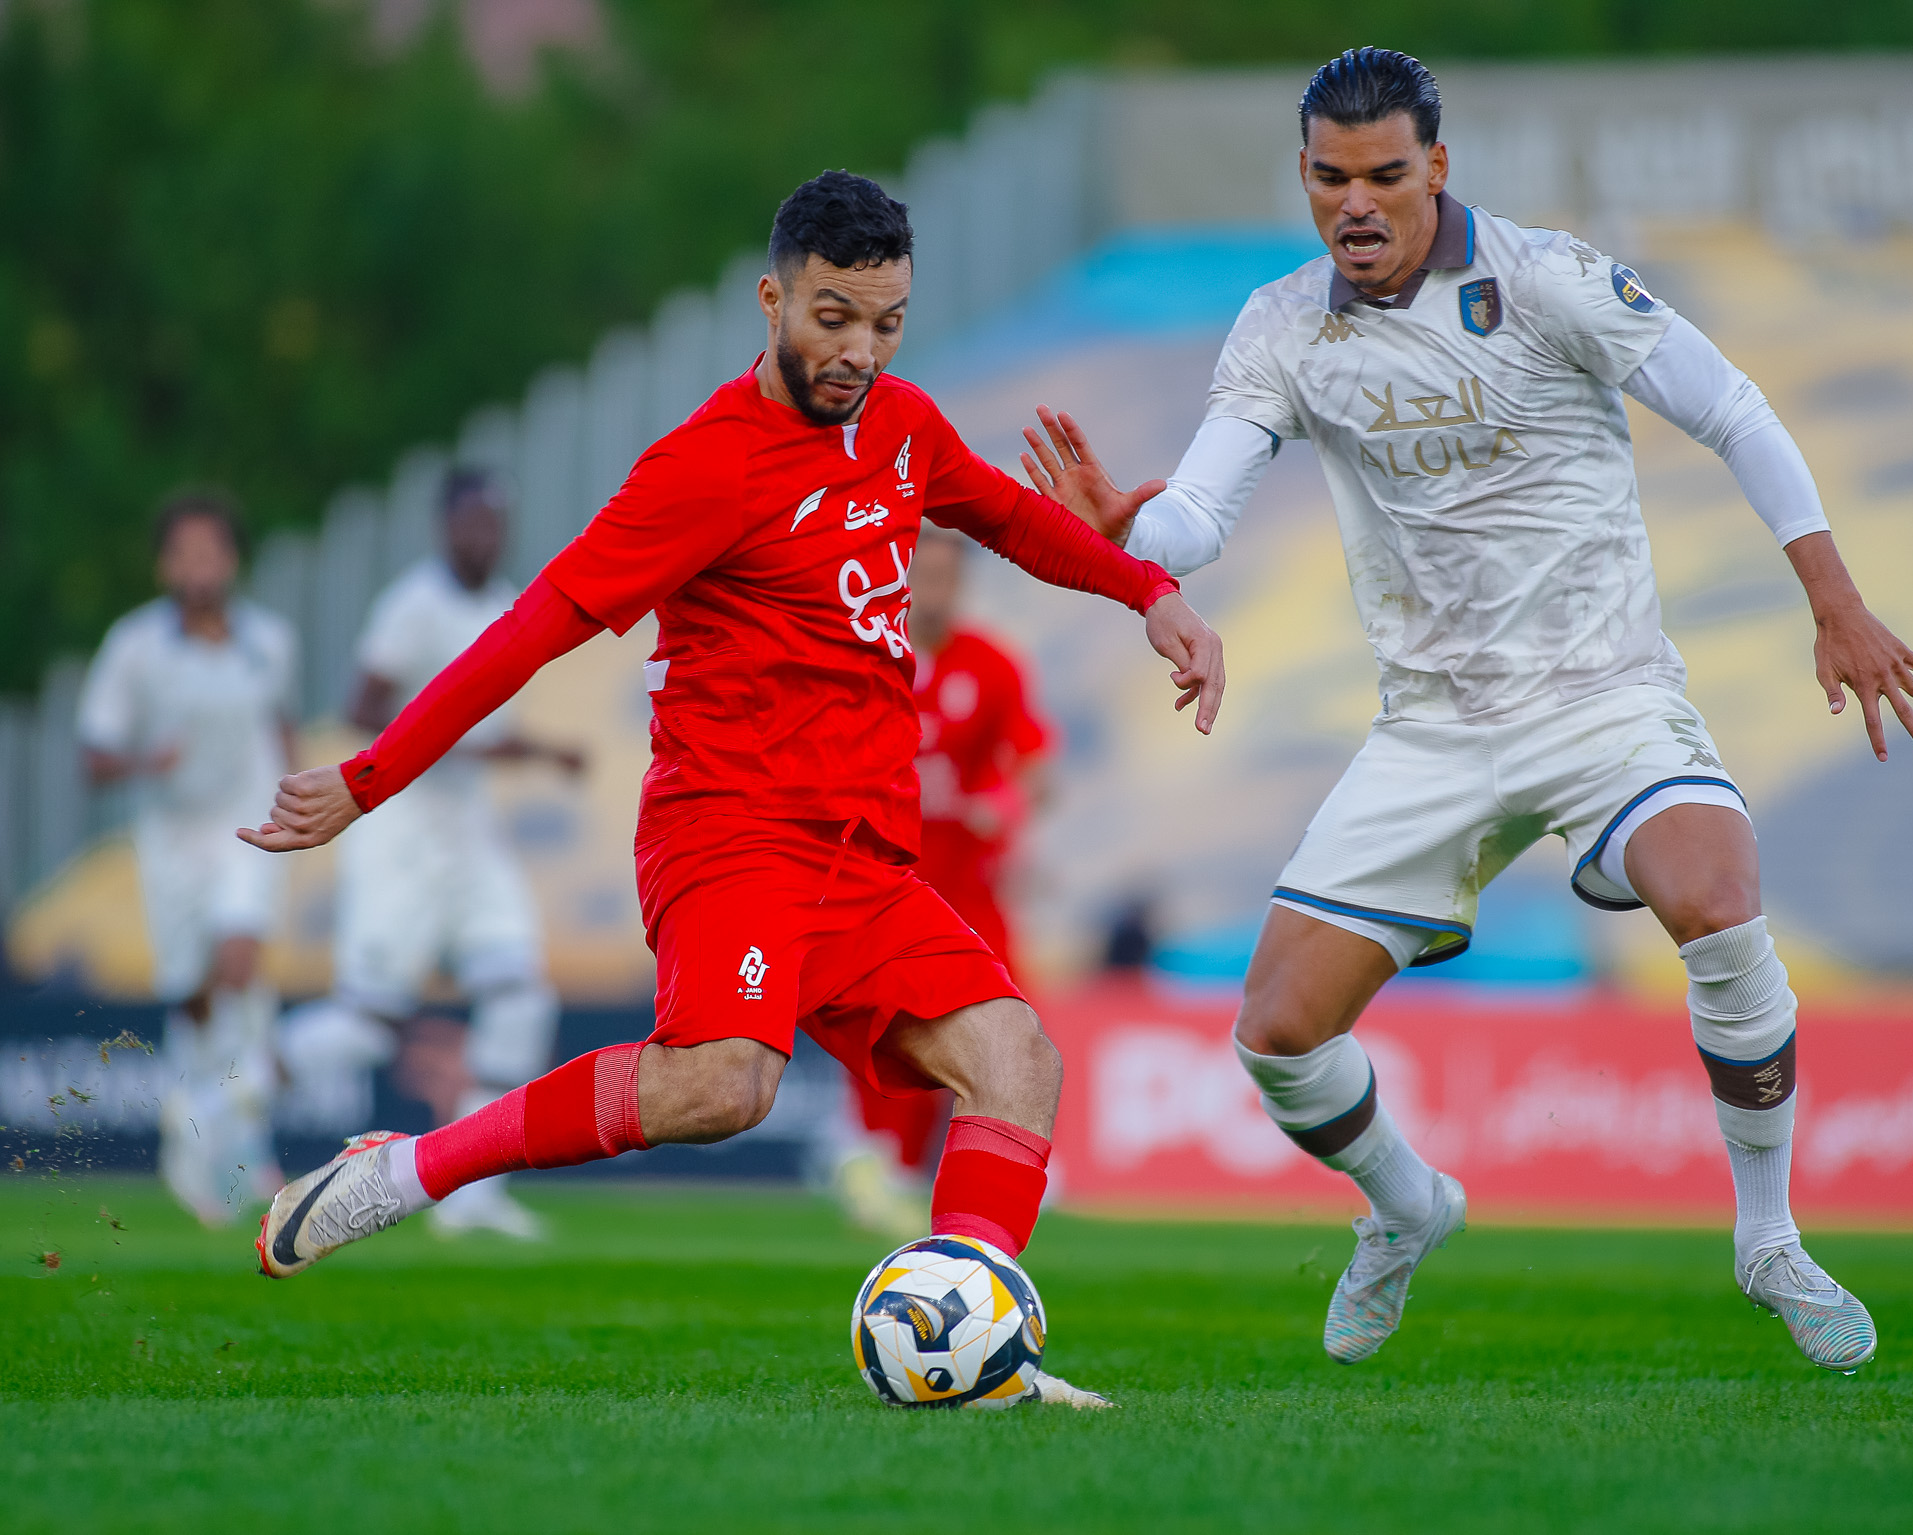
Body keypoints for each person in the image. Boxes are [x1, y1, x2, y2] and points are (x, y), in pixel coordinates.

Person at [1022, 49, 1913, 1374]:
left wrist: (1835, 600)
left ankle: (1768, 1234)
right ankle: (1407, 1204)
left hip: (1603, 695)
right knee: (1277, 1032)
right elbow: (1197, 516)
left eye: (1387, 174)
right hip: (1433, 729)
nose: (1359, 201)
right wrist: (1132, 528)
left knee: (1719, 891)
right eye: (1333, 177)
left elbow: (1733, 408)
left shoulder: (1551, 282)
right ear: (1304, 178)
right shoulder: (1283, 324)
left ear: (1436, 168)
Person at [239, 171, 1224, 1406]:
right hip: (733, 829)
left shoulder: (906, 428)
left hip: (862, 852)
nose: (858, 351)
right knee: (722, 1087)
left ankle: (976, 1352)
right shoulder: (704, 467)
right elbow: (534, 627)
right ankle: (410, 1169)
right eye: (831, 317)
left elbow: (1015, 520)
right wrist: (372, 774)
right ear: (772, 299)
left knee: (1018, 1060)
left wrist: (1155, 595)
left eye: (885, 321)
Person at [284, 466, 584, 1240]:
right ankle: (234, 1085)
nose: (487, 534)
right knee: (368, 1024)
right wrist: (438, 736)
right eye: (474, 520)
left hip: (468, 825)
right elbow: (361, 705)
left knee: (521, 995)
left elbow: (480, 726)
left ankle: (473, 1192)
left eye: (496, 520)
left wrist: (546, 751)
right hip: (402, 827)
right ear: (446, 525)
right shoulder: (415, 604)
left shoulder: (500, 602)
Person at [77, 489, 298, 1225]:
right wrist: (147, 759)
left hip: (246, 825)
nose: (200, 565)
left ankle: (200, 1121)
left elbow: (282, 724)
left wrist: (302, 807)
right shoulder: (134, 645)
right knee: (201, 998)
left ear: (232, 559)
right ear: (165, 564)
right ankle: (226, 1144)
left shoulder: (269, 639)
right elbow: (94, 755)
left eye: (212, 549)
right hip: (171, 838)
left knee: (240, 963)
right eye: (185, 552)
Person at [831, 528, 1055, 1235]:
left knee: (1008, 1024)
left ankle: (1008, 1163)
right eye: (920, 575)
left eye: (945, 577)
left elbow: (1037, 764)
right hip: (883, 884)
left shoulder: (990, 665)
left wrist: (1007, 805)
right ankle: (877, 1164)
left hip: (969, 890)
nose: (933, 590)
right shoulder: (865, 658)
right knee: (890, 1027)